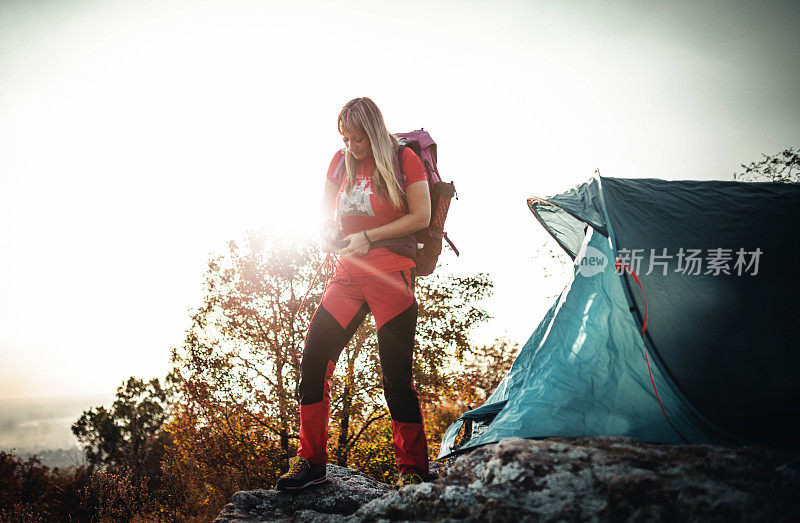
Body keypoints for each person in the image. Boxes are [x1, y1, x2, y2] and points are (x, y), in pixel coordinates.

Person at [275, 97, 432, 491]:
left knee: (396, 378)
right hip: (346, 276)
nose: (352, 146)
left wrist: (369, 236)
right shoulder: (339, 162)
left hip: (391, 276)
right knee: (313, 361)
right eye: (346, 138)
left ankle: (413, 470)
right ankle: (311, 461)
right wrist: (328, 233)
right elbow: (324, 213)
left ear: (374, 131)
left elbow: (421, 217)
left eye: (359, 138)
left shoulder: (403, 160)